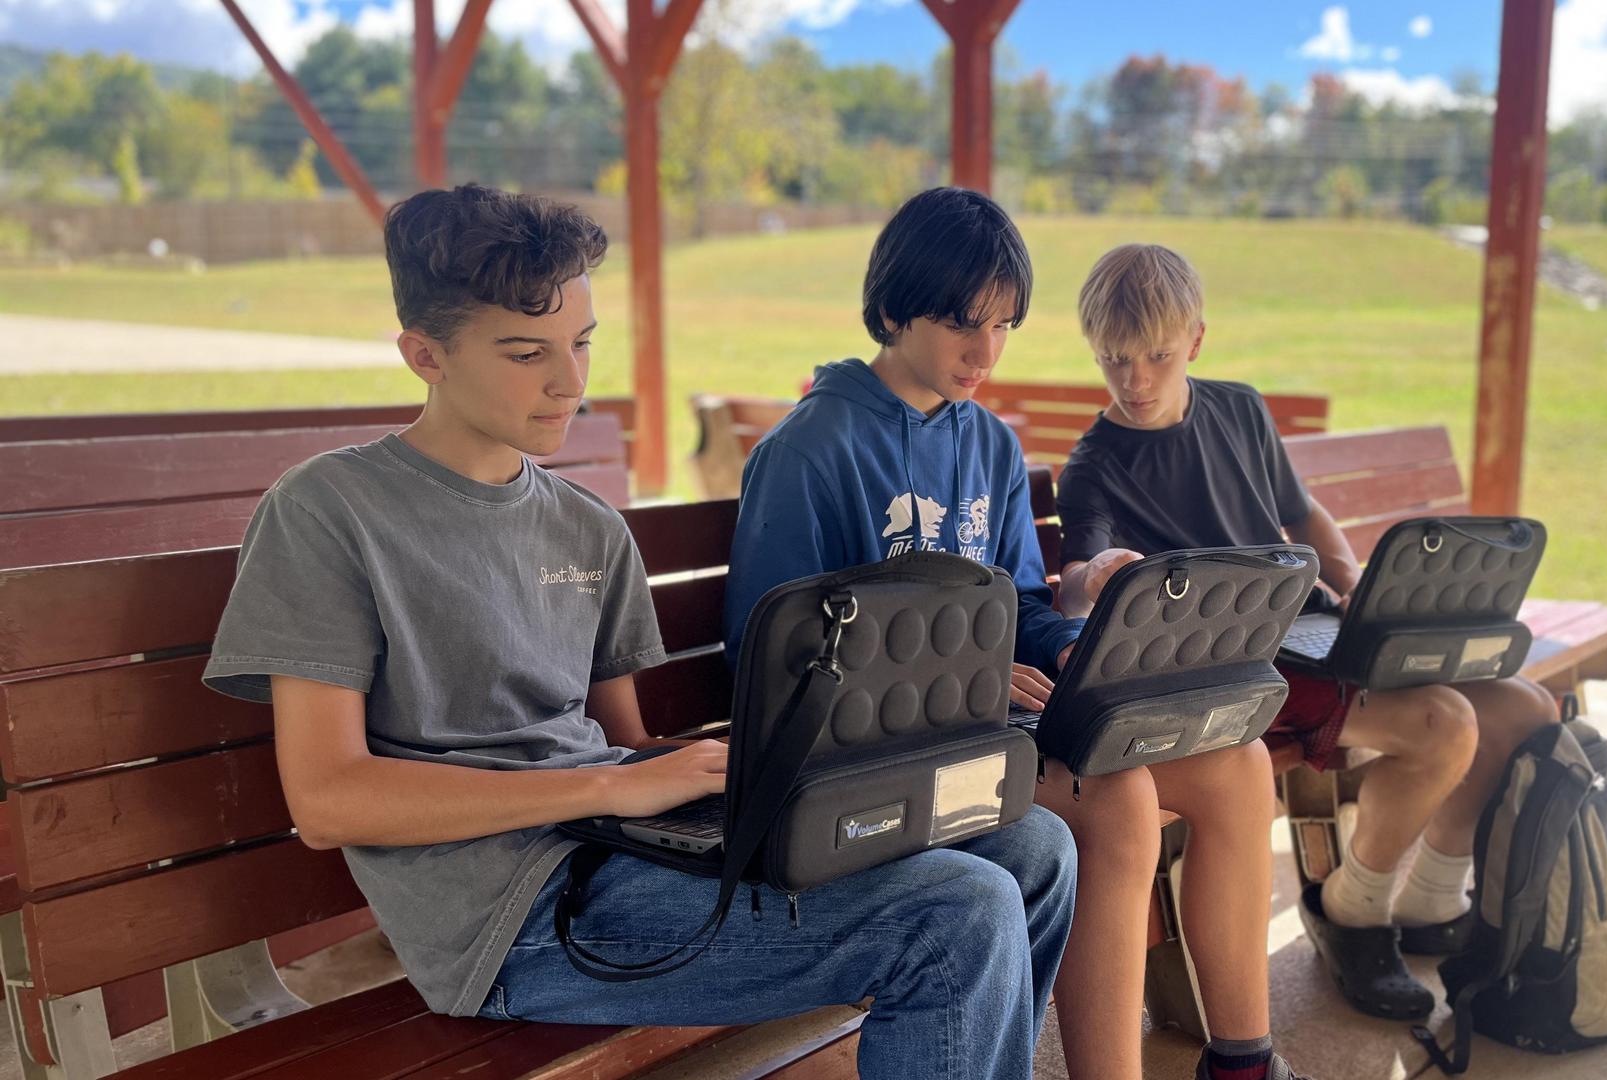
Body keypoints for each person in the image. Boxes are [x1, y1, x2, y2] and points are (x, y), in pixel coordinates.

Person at [202, 183, 1076, 1080]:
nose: (569, 381)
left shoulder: (586, 526)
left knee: (1034, 848)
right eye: (523, 352)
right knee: (955, 914)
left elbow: (625, 752)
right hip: (509, 915)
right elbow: (327, 801)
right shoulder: (329, 511)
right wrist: (604, 793)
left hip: (625, 855)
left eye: (581, 343)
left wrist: (709, 789)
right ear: (423, 354)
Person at [724, 188, 1309, 1080]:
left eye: (1004, 326)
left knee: (1238, 764)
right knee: (1116, 802)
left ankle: (1243, 1061)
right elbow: (770, 661)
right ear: (891, 309)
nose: (985, 352)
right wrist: (954, 680)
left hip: (989, 730)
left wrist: (1080, 644)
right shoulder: (813, 450)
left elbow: (1021, 606)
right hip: (872, 759)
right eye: (965, 323)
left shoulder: (990, 446)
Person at [1056, 242, 1559, 1020]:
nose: (1134, 382)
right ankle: (1356, 912)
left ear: (1195, 339)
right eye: (1112, 360)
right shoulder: (1094, 464)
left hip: (1317, 630)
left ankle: (1426, 898)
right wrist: (1099, 572)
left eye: (1155, 356)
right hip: (1243, 662)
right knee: (1445, 724)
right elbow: (1085, 570)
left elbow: (1301, 514)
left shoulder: (1239, 409)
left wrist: (1359, 588)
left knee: (1524, 710)